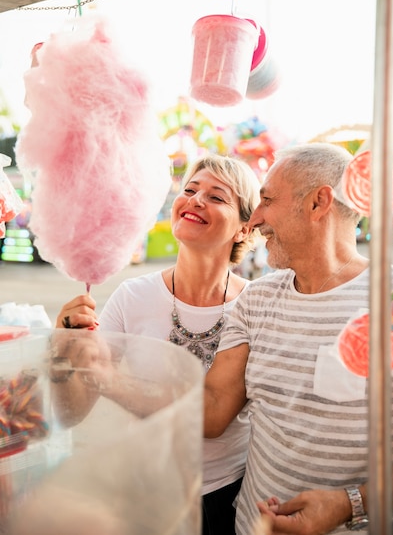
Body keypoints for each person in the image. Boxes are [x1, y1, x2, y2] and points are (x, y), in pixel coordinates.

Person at [203, 142, 393, 535]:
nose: (254, 220)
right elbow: (214, 408)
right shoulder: (257, 298)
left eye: (267, 200)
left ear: (319, 203)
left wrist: (349, 504)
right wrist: (111, 371)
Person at [54, 153, 261, 535]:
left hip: (226, 496)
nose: (195, 200)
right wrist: (64, 352)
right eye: (190, 190)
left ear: (245, 229)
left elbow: (213, 420)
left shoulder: (257, 306)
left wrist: (108, 379)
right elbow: (70, 413)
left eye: (217, 197)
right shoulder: (133, 296)